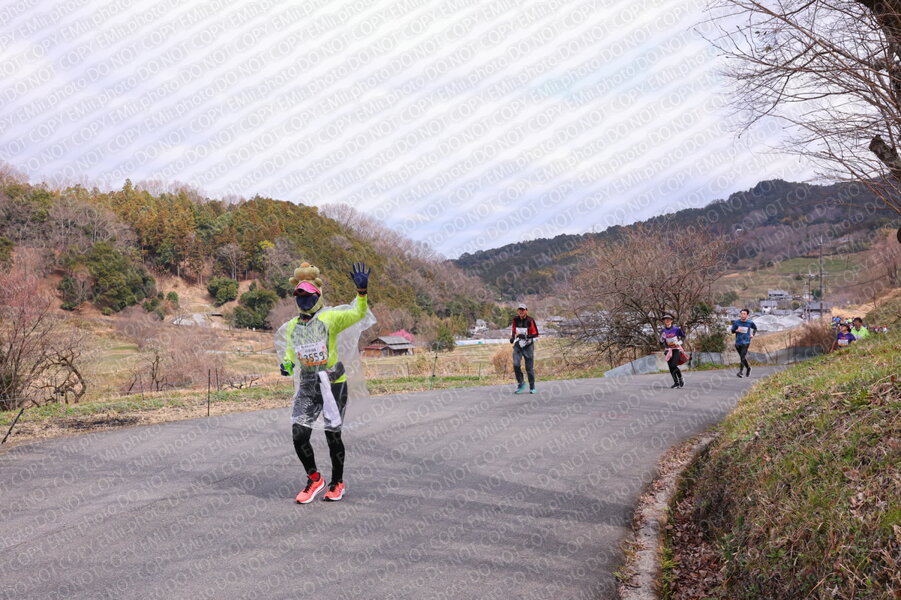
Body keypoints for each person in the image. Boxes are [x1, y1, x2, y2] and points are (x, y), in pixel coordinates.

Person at [275, 261, 376, 504]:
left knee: (333, 436)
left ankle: (337, 482)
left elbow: (358, 314)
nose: (303, 300)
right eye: (299, 295)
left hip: (333, 383)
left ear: (317, 295)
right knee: (299, 435)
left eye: (308, 295)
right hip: (307, 385)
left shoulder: (330, 317)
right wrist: (287, 365)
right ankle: (314, 478)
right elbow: (290, 353)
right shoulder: (292, 327)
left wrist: (362, 293)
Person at [510, 303, 539, 394]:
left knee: (529, 368)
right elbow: (514, 329)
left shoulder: (530, 320)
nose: (521, 312)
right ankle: (521, 383)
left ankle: (532, 387)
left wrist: (526, 336)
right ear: (517, 311)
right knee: (516, 365)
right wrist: (512, 337)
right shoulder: (515, 319)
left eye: (523, 310)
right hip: (518, 344)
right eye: (520, 310)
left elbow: (536, 334)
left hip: (528, 345)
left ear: (526, 311)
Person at [659, 314, 686, 389]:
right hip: (668, 350)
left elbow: (683, 336)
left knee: (673, 365)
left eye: (668, 319)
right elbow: (661, 342)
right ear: (664, 321)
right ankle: (676, 383)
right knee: (670, 367)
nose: (667, 321)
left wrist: (679, 342)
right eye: (665, 319)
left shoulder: (676, 329)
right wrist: (662, 339)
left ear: (671, 321)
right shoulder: (663, 331)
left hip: (676, 349)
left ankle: (680, 378)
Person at [730, 309, 758, 378]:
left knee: (742, 356)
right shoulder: (736, 322)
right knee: (742, 357)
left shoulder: (750, 322)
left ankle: (740, 372)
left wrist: (752, 335)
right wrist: (736, 330)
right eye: (741, 314)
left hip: (746, 342)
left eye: (744, 314)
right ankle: (748, 368)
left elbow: (755, 328)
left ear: (747, 315)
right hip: (738, 342)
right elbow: (732, 331)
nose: (742, 315)